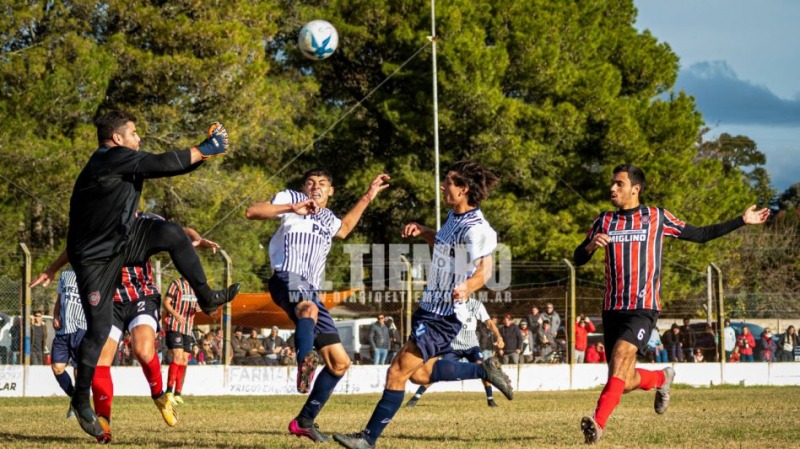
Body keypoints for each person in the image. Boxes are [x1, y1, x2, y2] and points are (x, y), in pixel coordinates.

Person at [63, 110, 240, 438]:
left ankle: (207, 296)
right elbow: (164, 162)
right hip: (95, 259)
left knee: (172, 233)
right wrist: (205, 147)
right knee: (99, 330)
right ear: (118, 139)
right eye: (133, 133)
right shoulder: (110, 158)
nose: (138, 138)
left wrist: (205, 153)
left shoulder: (121, 161)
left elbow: (169, 167)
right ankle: (80, 399)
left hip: (122, 242)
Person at [573, 164, 769, 444]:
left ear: (635, 189)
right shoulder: (604, 220)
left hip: (642, 307)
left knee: (620, 359)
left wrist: (741, 220)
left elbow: (700, 235)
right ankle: (661, 378)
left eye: (619, 184)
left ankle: (597, 424)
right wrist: (590, 246)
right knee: (623, 378)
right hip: (612, 308)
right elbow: (578, 257)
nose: (612, 189)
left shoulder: (656, 216)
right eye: (612, 184)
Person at [332, 161, 512, 449]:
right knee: (420, 374)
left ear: (464, 189)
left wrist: (466, 286)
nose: (443, 186)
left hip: (445, 315)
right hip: (430, 308)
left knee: (396, 372)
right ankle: (484, 369)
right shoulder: (454, 218)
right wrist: (424, 230)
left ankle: (367, 439)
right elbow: (444, 246)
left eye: (449, 183)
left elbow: (485, 271)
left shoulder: (478, 229)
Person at [245, 168, 390, 443]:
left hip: (312, 292)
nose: (316, 187)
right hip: (287, 276)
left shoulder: (327, 218)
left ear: (330, 191)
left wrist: (368, 195)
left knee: (340, 363)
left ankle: (304, 421)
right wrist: (291, 206)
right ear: (303, 187)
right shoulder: (291, 200)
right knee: (308, 309)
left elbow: (345, 229)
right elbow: (252, 212)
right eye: (311, 182)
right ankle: (304, 361)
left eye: (323, 183)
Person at [404, 297, 505, 408]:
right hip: (453, 346)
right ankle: (415, 397)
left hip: (471, 345)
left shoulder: (476, 305)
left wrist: (499, 338)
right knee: (437, 370)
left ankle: (490, 399)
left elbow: (489, 322)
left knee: (483, 367)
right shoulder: (448, 304)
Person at [49, 269, 87, 419]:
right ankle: (74, 399)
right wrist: (55, 315)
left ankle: (79, 404)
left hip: (81, 328)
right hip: (63, 329)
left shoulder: (90, 273)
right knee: (57, 368)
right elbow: (60, 299)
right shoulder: (65, 275)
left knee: (79, 370)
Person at [164, 275, 207, 405]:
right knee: (177, 356)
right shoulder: (176, 284)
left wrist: (199, 308)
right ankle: (168, 391)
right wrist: (176, 315)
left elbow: (197, 305)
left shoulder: (195, 287)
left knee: (184, 359)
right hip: (174, 325)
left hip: (187, 328)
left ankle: (177, 393)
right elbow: (166, 302)